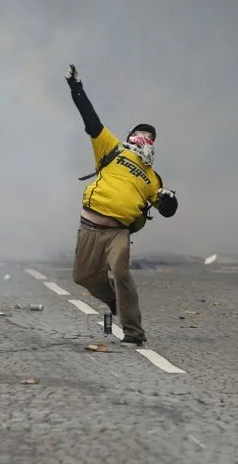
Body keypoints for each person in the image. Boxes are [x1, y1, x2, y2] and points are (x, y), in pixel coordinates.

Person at [64, 64, 178, 347]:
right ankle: (115, 300)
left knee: (121, 270)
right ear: (130, 137)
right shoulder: (112, 149)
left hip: (118, 233)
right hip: (89, 226)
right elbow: (91, 120)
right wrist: (76, 88)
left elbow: (165, 210)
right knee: (83, 277)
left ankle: (134, 333)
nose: (145, 139)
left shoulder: (153, 178)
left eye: (149, 137)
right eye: (141, 134)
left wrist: (169, 200)